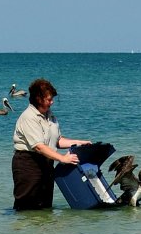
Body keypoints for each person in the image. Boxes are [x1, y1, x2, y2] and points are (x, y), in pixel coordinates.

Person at [12, 78, 90, 211]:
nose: (52, 102)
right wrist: (63, 158)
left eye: (52, 99)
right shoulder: (29, 117)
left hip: (47, 163)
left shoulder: (50, 116)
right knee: (26, 206)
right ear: (38, 98)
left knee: (45, 206)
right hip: (27, 163)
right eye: (49, 99)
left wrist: (80, 142)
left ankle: (44, 231)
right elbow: (39, 146)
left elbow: (57, 140)